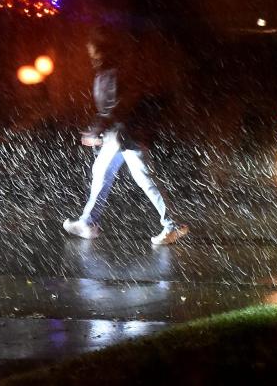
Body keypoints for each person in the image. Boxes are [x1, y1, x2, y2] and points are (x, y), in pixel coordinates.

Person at [63, 30, 188, 246]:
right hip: (119, 134)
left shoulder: (113, 74)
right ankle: (88, 222)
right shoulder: (108, 73)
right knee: (102, 173)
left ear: (103, 52)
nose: (92, 57)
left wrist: (96, 129)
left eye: (94, 53)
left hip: (126, 134)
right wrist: (101, 128)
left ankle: (172, 225)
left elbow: (117, 107)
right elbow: (112, 107)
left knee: (143, 179)